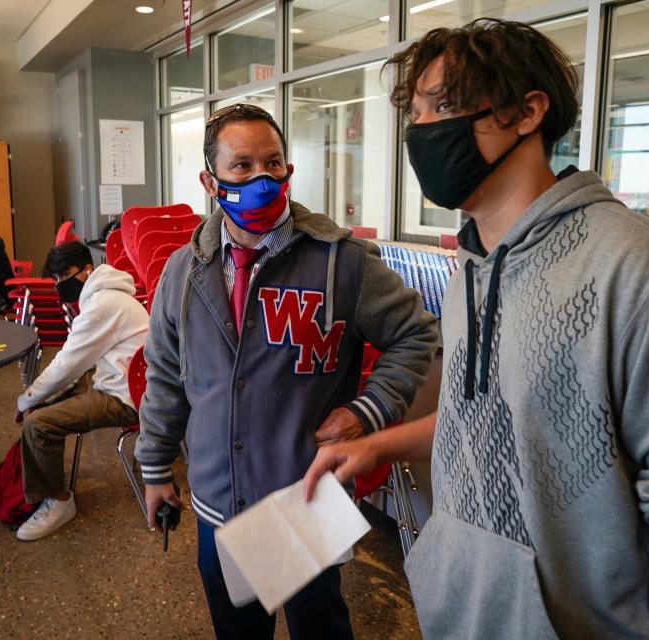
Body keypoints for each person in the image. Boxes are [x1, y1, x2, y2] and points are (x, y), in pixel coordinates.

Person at [303, 18, 649, 640]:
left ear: (528, 112)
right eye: (416, 115)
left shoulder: (637, 268)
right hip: (464, 610)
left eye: (444, 105)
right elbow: (502, 416)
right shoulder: (469, 267)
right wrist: (379, 445)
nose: (422, 133)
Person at [135, 103, 439, 640]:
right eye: (243, 166)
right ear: (210, 181)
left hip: (305, 494)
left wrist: (368, 409)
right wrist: (156, 468)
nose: (262, 179)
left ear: (289, 169)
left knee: (319, 625)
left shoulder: (344, 262)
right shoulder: (184, 271)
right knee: (239, 630)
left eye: (274, 163)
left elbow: (416, 335)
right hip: (218, 498)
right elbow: (164, 376)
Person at [14, 241, 148, 541]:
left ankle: (58, 502)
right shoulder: (108, 296)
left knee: (38, 423)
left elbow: (67, 363)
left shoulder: (102, 305)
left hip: (126, 397)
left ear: (87, 270)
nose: (60, 284)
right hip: (127, 384)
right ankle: (44, 486)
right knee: (54, 398)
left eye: (64, 275)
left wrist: (26, 400)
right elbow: (73, 364)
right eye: (56, 279)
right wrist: (41, 396)